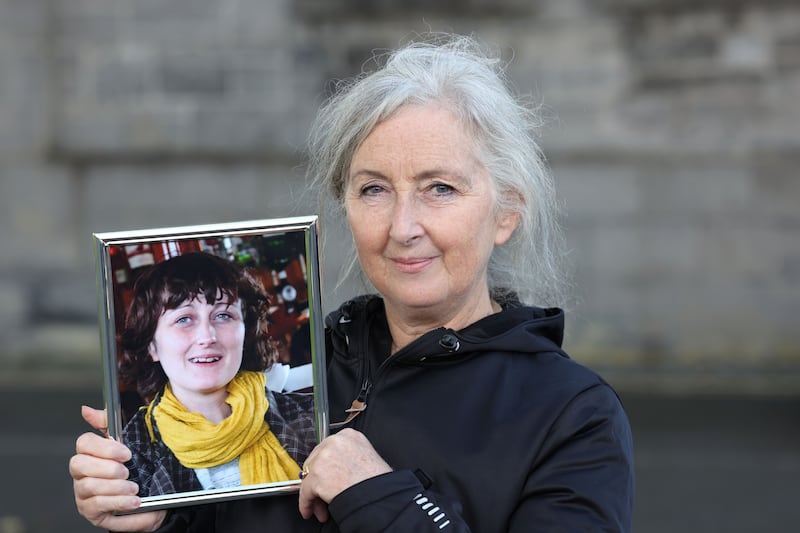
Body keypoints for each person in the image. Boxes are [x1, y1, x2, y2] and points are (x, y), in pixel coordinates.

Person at [69, 34, 634, 532]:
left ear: (506, 213)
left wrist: (376, 495)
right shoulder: (285, 383)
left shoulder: (571, 414)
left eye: (440, 188)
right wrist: (161, 516)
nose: (403, 228)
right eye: (374, 189)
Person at [106, 251, 315, 499]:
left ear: (244, 333)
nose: (207, 337)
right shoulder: (126, 458)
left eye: (223, 315)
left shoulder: (311, 418)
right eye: (184, 319)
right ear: (151, 346)